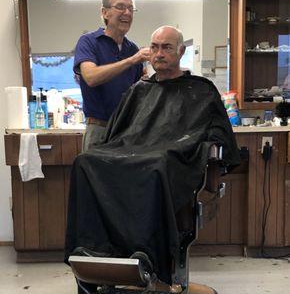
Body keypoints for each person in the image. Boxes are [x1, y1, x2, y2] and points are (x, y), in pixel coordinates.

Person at [66, 25, 241, 290]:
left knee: (156, 164)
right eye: (155, 47)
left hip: (170, 162)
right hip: (138, 159)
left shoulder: (201, 90)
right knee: (85, 162)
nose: (159, 53)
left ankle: (148, 258)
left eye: (167, 47)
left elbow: (219, 138)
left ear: (181, 51)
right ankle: (90, 250)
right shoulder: (139, 90)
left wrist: (212, 175)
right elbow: (117, 135)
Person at [74, 0, 150, 150]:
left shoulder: (132, 48)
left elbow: (136, 95)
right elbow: (91, 77)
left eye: (131, 8)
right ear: (105, 12)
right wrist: (132, 60)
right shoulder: (88, 42)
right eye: (121, 7)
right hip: (99, 130)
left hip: (126, 131)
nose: (127, 13)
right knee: (95, 175)